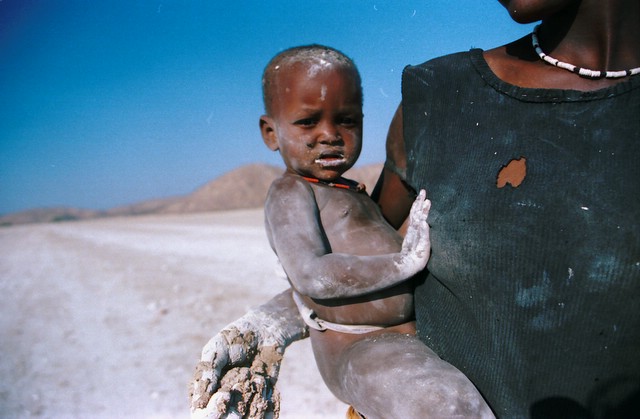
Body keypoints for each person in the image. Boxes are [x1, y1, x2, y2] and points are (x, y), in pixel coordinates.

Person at [191, 1, 640, 417]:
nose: (329, 135)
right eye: (309, 122)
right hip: (396, 372)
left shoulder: (349, 189)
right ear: (271, 132)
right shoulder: (439, 96)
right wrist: (274, 320)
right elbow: (334, 264)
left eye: (347, 120)